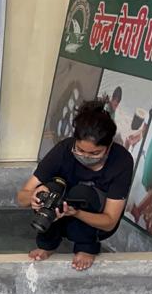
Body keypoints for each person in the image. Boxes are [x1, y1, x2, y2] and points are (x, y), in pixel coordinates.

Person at [16, 100, 134, 271]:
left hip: (95, 222)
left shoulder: (121, 161)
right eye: (79, 149)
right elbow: (22, 197)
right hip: (60, 216)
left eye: (94, 153)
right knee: (51, 188)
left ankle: (86, 247)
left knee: (82, 193)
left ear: (108, 147)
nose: (85, 156)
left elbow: (109, 221)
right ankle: (47, 245)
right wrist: (34, 196)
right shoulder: (63, 150)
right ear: (74, 141)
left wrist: (76, 212)